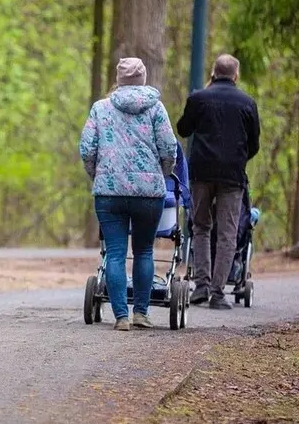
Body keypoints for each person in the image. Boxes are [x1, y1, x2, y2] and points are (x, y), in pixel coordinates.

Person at [80, 57, 177, 331]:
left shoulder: (100, 108)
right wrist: (163, 173)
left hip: (109, 193)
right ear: (143, 78)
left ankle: (121, 317)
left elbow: (87, 148)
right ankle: (141, 314)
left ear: (119, 79)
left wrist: (98, 174)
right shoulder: (156, 108)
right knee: (144, 250)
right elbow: (169, 148)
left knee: (115, 253)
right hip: (149, 194)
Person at [177, 53, 260, 309]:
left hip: (201, 172)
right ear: (236, 76)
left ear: (213, 73)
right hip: (232, 177)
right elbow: (254, 144)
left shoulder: (198, 98)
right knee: (227, 233)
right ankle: (217, 293)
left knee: (201, 227)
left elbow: (183, 129)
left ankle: (200, 285)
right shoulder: (247, 103)